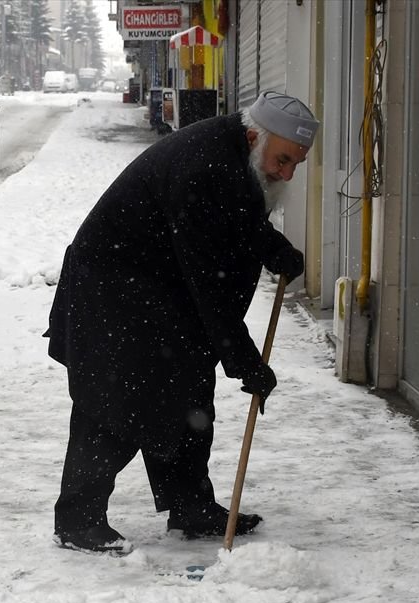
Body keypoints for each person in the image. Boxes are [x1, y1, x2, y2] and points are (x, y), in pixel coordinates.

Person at [45, 91, 319, 556]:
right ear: (255, 137)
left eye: (297, 163)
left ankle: (191, 507)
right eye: (284, 160)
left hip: (155, 290)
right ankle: (78, 519)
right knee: (117, 405)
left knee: (189, 392)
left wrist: (272, 248)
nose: (288, 173)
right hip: (114, 291)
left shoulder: (235, 155)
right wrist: (244, 361)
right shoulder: (204, 166)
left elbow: (235, 215)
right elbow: (206, 282)